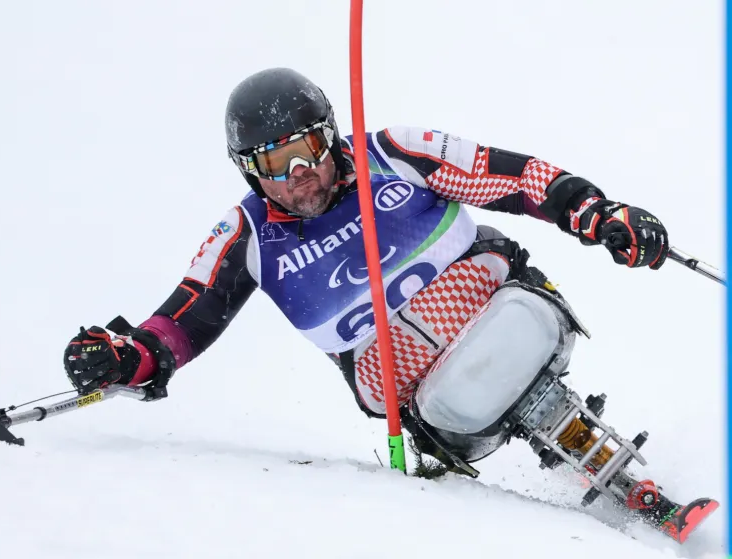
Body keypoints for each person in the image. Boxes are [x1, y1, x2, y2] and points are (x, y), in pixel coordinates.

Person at [63, 65, 670, 494]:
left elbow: (505, 175)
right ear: (250, 170)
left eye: (305, 149)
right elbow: (180, 321)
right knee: (395, 368)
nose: (299, 173)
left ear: (328, 134)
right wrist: (128, 357)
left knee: (485, 317)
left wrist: (592, 210)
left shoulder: (391, 152)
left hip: (504, 309)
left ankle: (587, 447)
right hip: (422, 392)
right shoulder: (245, 236)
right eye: (275, 163)